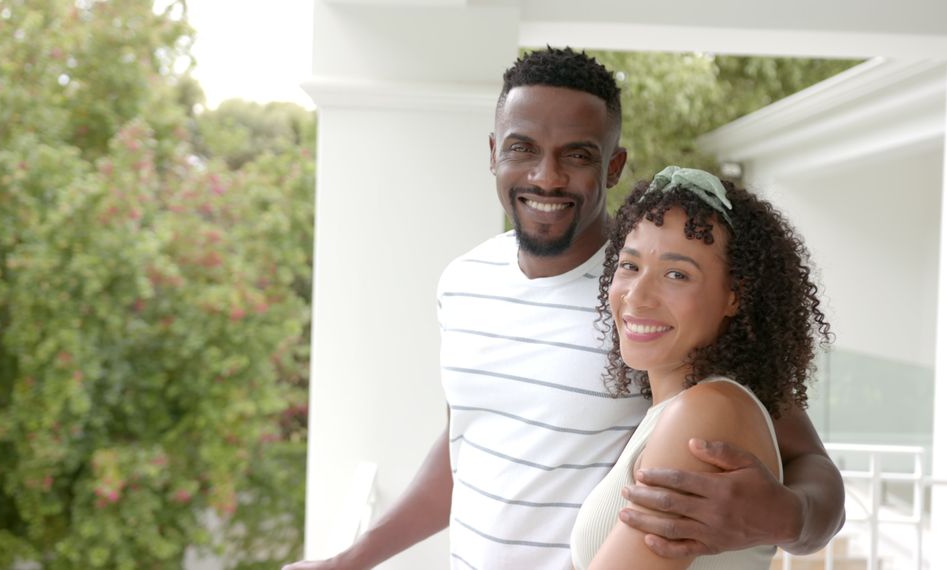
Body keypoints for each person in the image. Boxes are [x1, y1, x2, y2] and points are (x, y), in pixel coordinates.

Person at [283, 47, 844, 570]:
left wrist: (788, 519)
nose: (545, 177)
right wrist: (350, 560)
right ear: (494, 153)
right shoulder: (464, 281)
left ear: (614, 166)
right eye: (522, 148)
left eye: (576, 155)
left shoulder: (652, 314)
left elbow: (808, 466)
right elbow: (468, 445)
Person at [569, 167, 832, 570]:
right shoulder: (692, 401)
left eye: (677, 274)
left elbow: (814, 465)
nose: (638, 296)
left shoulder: (705, 413)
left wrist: (795, 517)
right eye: (630, 266)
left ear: (734, 297)